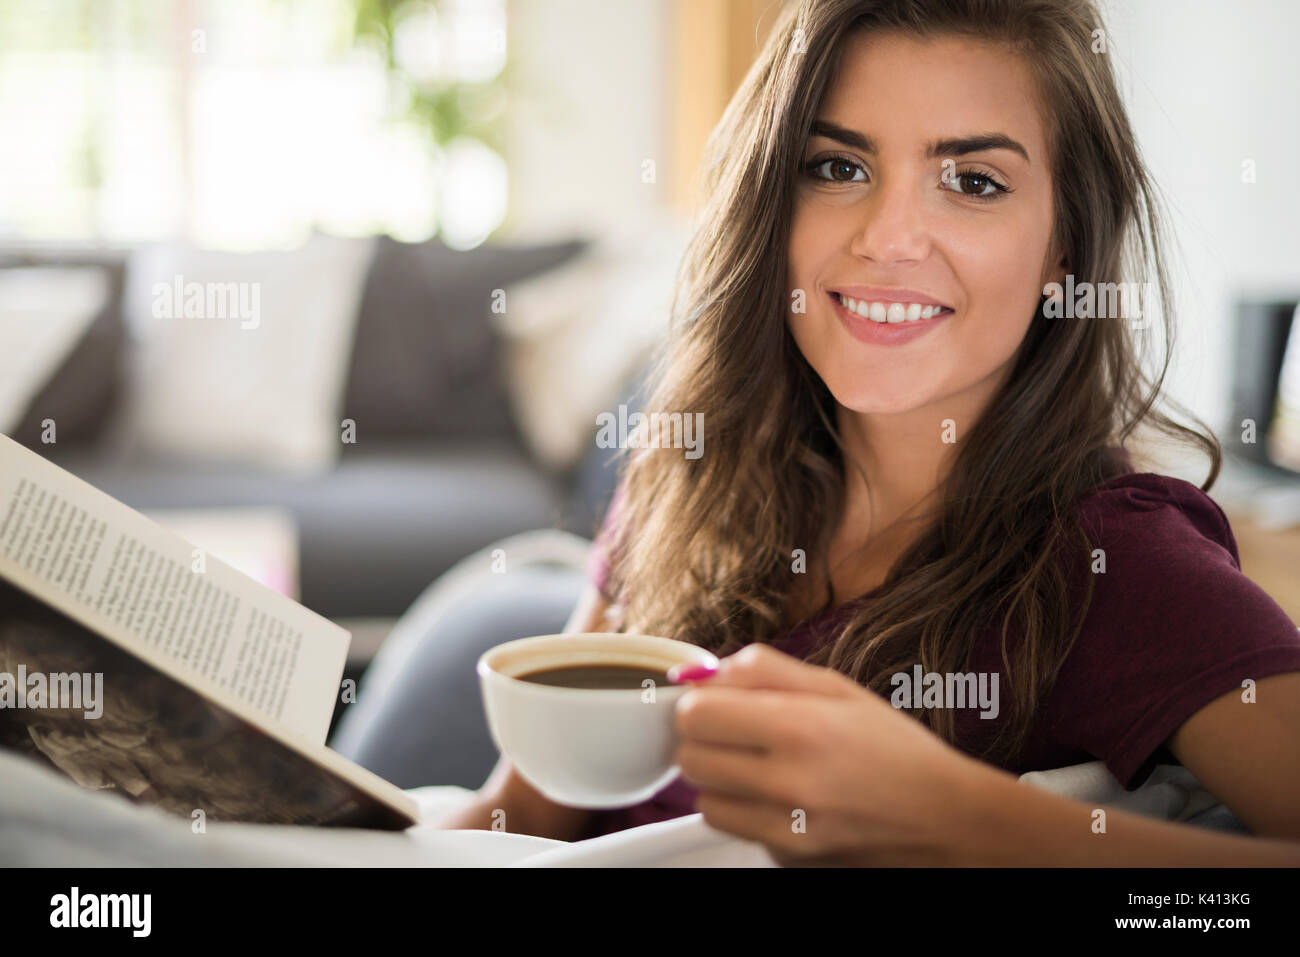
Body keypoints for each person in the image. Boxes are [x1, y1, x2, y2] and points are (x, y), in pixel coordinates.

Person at [435, 0, 1300, 865]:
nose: (887, 238)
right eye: (838, 166)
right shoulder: (691, 470)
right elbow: (518, 816)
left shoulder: (1118, 564)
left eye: (973, 182)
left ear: (1063, 248)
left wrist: (949, 813)